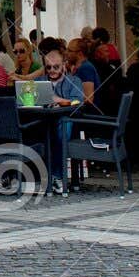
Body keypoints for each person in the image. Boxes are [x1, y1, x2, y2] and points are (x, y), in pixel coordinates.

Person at [38, 48, 85, 193]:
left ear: (64, 65)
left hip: (65, 121)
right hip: (41, 122)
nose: (52, 70)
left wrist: (59, 101)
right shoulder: (38, 82)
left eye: (56, 67)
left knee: (64, 126)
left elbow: (78, 102)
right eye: (48, 67)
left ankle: (57, 176)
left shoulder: (74, 80)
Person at [66, 37, 99, 105]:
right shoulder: (79, 68)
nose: (66, 53)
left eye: (69, 51)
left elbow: (88, 99)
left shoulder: (86, 68)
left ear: (79, 53)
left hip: (87, 113)